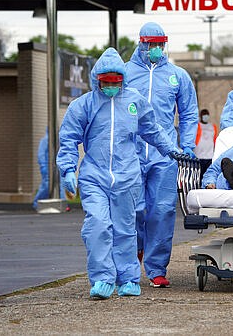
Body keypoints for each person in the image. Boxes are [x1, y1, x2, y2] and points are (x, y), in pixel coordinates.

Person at [56, 47, 178, 300]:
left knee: (125, 229)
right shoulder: (84, 105)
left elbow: (151, 129)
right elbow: (68, 138)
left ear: (122, 79)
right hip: (95, 176)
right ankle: (102, 279)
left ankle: (129, 278)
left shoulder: (134, 101)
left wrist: (170, 148)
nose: (111, 85)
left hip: (127, 174)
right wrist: (68, 168)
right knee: (98, 225)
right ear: (97, 79)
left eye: (116, 80)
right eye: (106, 81)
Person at [125, 22, 199, 288]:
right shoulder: (124, 72)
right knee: (132, 209)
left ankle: (156, 268)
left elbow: (189, 113)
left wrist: (187, 144)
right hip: (130, 153)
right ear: (141, 43)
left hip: (165, 154)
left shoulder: (178, 76)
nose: (156, 49)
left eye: (160, 44)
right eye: (151, 44)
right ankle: (134, 251)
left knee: (163, 210)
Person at [33, 128, 68, 210]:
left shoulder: (57, 141)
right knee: (46, 185)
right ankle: (36, 203)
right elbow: (41, 154)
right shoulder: (45, 140)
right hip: (47, 166)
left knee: (60, 184)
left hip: (57, 166)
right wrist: (43, 166)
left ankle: (62, 204)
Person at [194, 109, 218, 176]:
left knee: (208, 175)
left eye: (207, 114)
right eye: (204, 114)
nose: (205, 116)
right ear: (200, 116)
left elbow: (215, 140)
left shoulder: (213, 127)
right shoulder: (196, 126)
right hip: (198, 156)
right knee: (198, 176)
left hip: (210, 156)